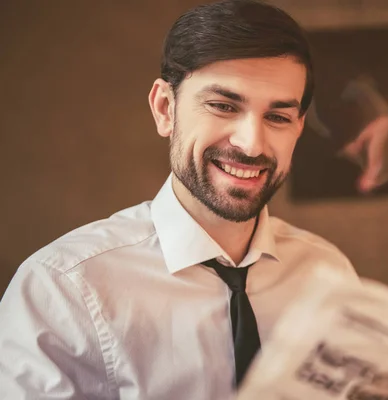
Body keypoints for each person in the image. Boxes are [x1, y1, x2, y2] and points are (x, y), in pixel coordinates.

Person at [0, 1, 360, 399]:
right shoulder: (60, 289)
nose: (251, 143)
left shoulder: (330, 274)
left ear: (298, 127)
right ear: (165, 108)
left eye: (277, 117)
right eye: (223, 106)